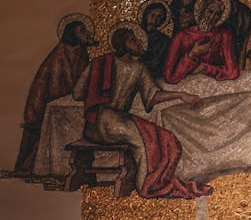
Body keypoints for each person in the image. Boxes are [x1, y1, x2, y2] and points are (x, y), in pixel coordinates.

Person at [73, 19, 211, 199]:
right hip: (105, 120)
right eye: (132, 40)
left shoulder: (136, 68)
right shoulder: (102, 63)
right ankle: (146, 187)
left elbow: (153, 96)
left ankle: (149, 182)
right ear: (121, 43)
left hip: (110, 122)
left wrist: (181, 95)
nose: (138, 43)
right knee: (146, 142)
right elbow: (77, 93)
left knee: (165, 138)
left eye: (137, 40)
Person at [14, 13, 97, 176]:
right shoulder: (59, 54)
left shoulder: (81, 52)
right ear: (72, 33)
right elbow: (42, 83)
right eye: (82, 31)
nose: (86, 34)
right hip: (53, 102)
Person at [163, 0, 239, 83]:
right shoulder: (181, 36)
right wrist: (192, 54)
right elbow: (170, 77)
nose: (212, 17)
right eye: (210, 11)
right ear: (202, 9)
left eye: (217, 14)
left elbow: (232, 72)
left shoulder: (224, 35)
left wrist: (207, 69)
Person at [139, 0, 171, 79]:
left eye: (159, 17)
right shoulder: (134, 34)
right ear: (146, 14)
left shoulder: (163, 40)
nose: (155, 19)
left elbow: (156, 62)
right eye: (152, 15)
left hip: (150, 76)